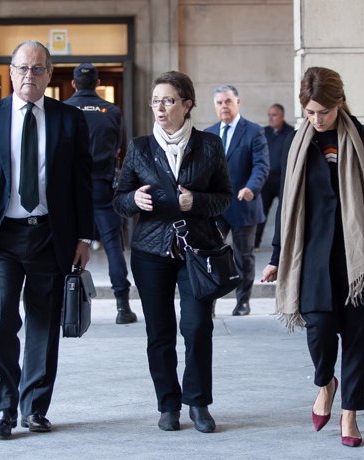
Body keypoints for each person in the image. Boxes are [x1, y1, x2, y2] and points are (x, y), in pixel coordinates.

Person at [260, 66, 364, 448]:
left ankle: (350, 414)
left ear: (339, 103)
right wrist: (277, 256)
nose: (316, 119)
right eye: (309, 112)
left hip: (358, 255)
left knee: (359, 339)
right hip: (311, 257)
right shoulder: (298, 143)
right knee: (319, 331)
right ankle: (325, 382)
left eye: (323, 111)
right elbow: (287, 208)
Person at [0, 40, 93, 439]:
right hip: (0, 238)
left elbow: (83, 181)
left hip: (50, 235)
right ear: (9, 73)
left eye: (37, 69)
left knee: (44, 323)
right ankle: (4, 406)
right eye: (21, 68)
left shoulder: (69, 119)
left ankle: (35, 408)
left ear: (49, 75)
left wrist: (84, 236)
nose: (28, 76)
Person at [113, 71, 232, 433]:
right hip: (150, 252)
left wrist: (195, 201)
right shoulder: (139, 148)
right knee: (160, 332)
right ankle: (168, 404)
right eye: (155, 101)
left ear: (187, 104)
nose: (160, 108)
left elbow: (224, 198)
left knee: (197, 327)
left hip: (196, 250)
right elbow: (118, 199)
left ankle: (198, 402)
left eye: (168, 100)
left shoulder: (209, 146)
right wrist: (132, 199)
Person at [63, 63, 137, 324]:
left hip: (71, 190)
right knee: (114, 246)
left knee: (68, 246)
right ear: (97, 83)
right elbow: (120, 148)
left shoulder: (63, 110)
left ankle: (67, 305)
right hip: (103, 186)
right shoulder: (111, 111)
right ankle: (122, 306)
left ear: (73, 84)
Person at [205, 85, 269, 316]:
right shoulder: (209, 133)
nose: (224, 106)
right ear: (215, 106)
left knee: (244, 257)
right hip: (215, 209)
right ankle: (209, 302)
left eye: (228, 101)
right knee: (211, 256)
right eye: (220, 102)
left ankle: (243, 302)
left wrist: (252, 188)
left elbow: (261, 165)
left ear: (237, 102)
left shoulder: (253, 131)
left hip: (244, 206)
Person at [254, 103, 294, 249]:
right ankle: (255, 243)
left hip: (284, 179)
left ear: (282, 116)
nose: (271, 118)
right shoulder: (263, 132)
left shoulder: (291, 132)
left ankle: (285, 244)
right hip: (266, 179)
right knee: (261, 212)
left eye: (274, 115)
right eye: (269, 115)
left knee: (285, 212)